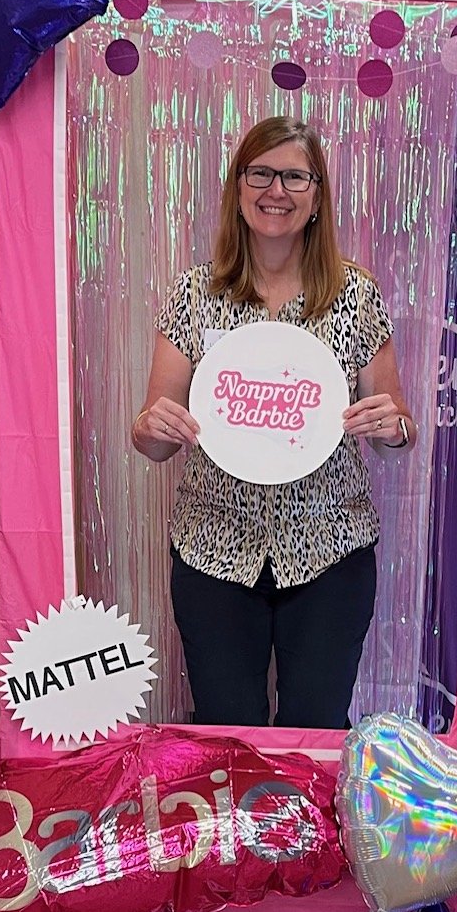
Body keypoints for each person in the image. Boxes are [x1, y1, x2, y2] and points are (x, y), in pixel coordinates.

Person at [132, 116, 416, 729]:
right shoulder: (194, 293)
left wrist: (393, 425)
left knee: (315, 727)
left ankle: (306, 830)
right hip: (214, 550)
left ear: (317, 198)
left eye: (293, 176)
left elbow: (397, 433)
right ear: (238, 188)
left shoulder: (355, 295)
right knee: (226, 726)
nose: (275, 190)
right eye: (259, 173)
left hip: (330, 549)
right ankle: (242, 830)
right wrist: (153, 427)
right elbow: (151, 437)